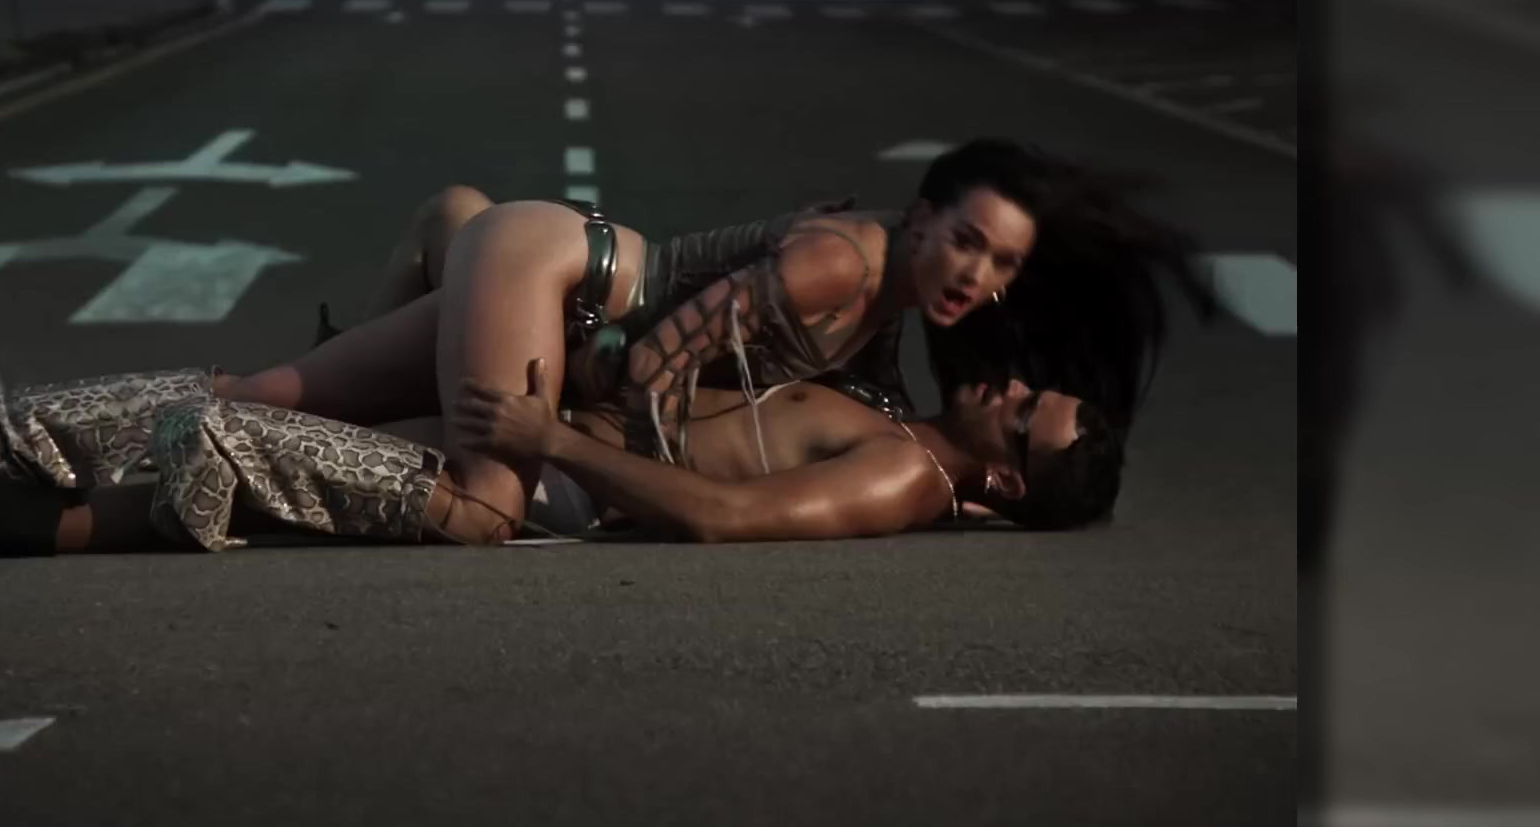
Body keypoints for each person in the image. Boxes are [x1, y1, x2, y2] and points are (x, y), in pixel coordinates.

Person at [209, 139, 1208, 542]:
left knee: (271, 391)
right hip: (565, 291)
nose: (975, 278)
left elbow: (888, 431)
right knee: (484, 509)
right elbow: (653, 363)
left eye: (1001, 266)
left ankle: (189, 416)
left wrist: (973, 499)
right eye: (967, 244)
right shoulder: (841, 269)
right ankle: (195, 455)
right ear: (921, 221)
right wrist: (574, 436)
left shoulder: (882, 316)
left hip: (537, 261)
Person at [0, 344, 1117, 556]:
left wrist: (549, 435)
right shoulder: (900, 420)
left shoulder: (902, 473)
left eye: (1025, 415)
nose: (1010, 388)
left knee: (216, 443)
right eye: (1030, 387)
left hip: (535, 491)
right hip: (546, 440)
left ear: (1005, 474)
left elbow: (723, 518)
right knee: (89, 418)